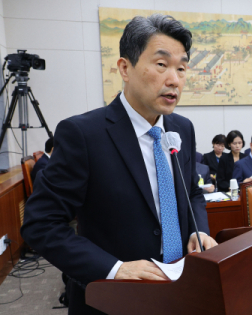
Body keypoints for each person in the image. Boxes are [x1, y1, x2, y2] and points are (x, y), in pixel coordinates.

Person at [21, 14, 218, 314]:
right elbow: (41, 223)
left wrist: (197, 231)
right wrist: (114, 269)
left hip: (181, 289)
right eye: (162, 65)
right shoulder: (83, 134)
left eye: (181, 68)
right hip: (114, 300)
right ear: (125, 68)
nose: (174, 80)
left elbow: (192, 191)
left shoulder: (183, 128)